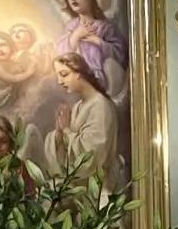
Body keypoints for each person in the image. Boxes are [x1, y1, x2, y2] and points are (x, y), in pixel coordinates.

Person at [45, 51, 121, 182]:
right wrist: (59, 134)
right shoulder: (78, 106)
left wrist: (66, 130)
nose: (59, 81)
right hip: (79, 184)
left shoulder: (100, 106)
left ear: (79, 73)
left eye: (64, 74)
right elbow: (69, 157)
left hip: (96, 186)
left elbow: (92, 155)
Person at [55, 0, 128, 107]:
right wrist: (76, 35)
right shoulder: (70, 26)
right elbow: (60, 55)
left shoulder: (105, 26)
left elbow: (121, 54)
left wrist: (98, 41)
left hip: (99, 80)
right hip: (75, 80)